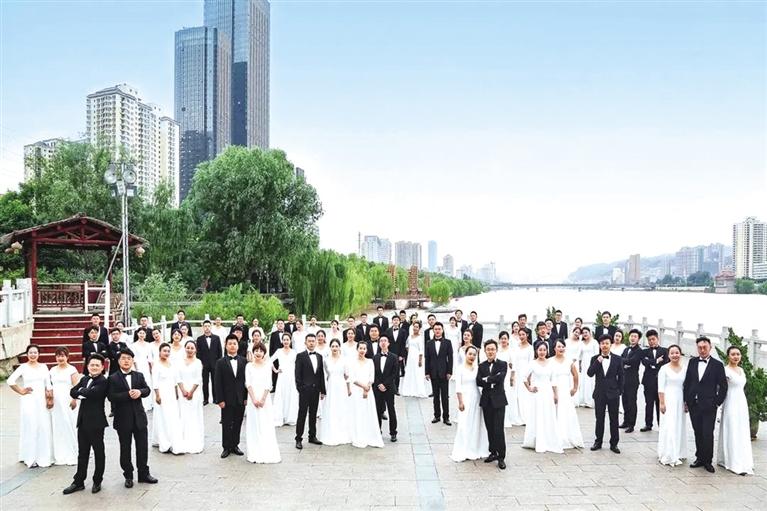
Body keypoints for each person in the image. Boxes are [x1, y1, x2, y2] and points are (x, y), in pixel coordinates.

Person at [108, 348, 157, 487]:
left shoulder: (138, 375)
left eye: (129, 358)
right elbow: (111, 396)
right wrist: (127, 395)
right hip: (123, 419)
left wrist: (140, 392)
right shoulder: (113, 378)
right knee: (125, 449)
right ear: (118, 361)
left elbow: (147, 390)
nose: (126, 361)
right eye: (123, 358)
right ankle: (128, 475)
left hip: (139, 417)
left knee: (142, 447)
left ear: (132, 360)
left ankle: (143, 474)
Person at [63, 353, 109, 495]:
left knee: (98, 452)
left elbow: (93, 394)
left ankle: (97, 480)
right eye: (91, 365)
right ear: (88, 366)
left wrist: (81, 392)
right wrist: (83, 392)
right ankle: (78, 482)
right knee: (82, 453)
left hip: (96, 423)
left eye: (97, 365)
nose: (94, 367)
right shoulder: (84, 379)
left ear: (102, 367)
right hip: (82, 421)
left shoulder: (103, 381)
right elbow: (72, 391)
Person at [684, 336, 728, 473]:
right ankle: (699, 458)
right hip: (694, 404)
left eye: (705, 347)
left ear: (710, 347)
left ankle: (708, 461)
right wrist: (686, 400)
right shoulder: (692, 361)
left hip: (709, 405)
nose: (702, 350)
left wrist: (717, 402)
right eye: (700, 348)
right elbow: (688, 382)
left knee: (708, 433)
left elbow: (723, 386)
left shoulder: (718, 365)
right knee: (698, 432)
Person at [7, 344, 53, 468]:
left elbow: (48, 384)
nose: (33, 355)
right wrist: (21, 390)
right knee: (31, 426)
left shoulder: (43, 367)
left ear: (38, 354)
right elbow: (10, 381)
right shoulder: (23, 367)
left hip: (41, 400)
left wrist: (49, 398)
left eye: (35, 352)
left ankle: (43, 455)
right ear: (27, 354)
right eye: (30, 352)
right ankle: (30, 457)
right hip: (29, 400)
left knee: (43, 426)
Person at [717, 346, 754, 475]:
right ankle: (731, 461)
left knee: (741, 430)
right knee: (731, 429)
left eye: (738, 354)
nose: (736, 356)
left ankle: (743, 458)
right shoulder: (725, 370)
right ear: (728, 356)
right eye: (733, 354)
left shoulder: (741, 370)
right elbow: (721, 388)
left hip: (741, 402)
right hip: (730, 402)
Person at [522, 342, 563, 454]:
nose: (542, 352)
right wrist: (529, 388)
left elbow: (553, 380)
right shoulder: (532, 363)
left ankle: (549, 439)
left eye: (544, 350)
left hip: (548, 393)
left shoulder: (551, 364)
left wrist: (555, 394)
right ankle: (537, 440)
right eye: (540, 350)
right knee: (538, 415)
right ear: (536, 351)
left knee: (548, 415)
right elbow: (524, 377)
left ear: (547, 351)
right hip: (537, 394)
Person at [450, 345, 488, 462]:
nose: (472, 356)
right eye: (470, 354)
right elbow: (458, 387)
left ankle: (475, 448)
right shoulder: (460, 369)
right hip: (465, 398)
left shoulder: (477, 368)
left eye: (474, 355)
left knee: (476, 423)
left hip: (476, 397)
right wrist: (460, 402)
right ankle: (464, 449)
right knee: (464, 424)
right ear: (465, 354)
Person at [245, 343, 281, 463]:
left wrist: (263, 399)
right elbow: (248, 383)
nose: (258, 353)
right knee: (254, 424)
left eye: (261, 351)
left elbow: (269, 383)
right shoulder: (248, 366)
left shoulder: (267, 365)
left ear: (264, 353)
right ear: (253, 352)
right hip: (252, 398)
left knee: (265, 423)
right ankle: (255, 450)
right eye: (256, 350)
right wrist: (253, 399)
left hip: (265, 398)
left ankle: (266, 449)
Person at [587, 335, 623, 454]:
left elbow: (621, 376)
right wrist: (598, 362)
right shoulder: (594, 358)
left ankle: (614, 444)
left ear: (610, 344)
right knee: (599, 419)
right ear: (600, 345)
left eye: (607, 343)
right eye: (602, 343)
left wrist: (619, 391)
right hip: (599, 393)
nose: (605, 345)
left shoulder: (618, 359)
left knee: (614, 419)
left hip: (613, 393)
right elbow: (590, 373)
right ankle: (598, 442)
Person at [214, 335, 247, 458]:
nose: (232, 346)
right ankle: (226, 447)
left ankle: (235, 445)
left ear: (238, 346)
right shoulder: (220, 362)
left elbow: (246, 381)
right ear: (226, 345)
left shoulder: (244, 361)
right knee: (226, 423)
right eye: (230, 343)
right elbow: (217, 382)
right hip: (226, 399)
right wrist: (220, 399)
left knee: (238, 422)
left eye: (234, 343)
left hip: (240, 398)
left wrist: (246, 397)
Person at [476, 340, 507, 469]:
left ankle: (501, 457)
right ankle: (493, 452)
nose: (490, 351)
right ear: (485, 351)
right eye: (488, 349)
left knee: (498, 429)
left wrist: (487, 379)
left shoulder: (502, 364)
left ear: (496, 350)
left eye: (492, 349)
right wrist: (492, 379)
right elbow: (478, 381)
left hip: (499, 401)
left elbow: (501, 378)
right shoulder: (481, 366)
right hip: (486, 401)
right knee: (490, 428)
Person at [349, 342, 384, 448]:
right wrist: (363, 387)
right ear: (357, 349)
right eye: (360, 348)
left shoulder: (370, 362)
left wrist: (366, 388)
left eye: (364, 348)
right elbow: (353, 378)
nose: (362, 350)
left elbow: (371, 378)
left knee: (367, 412)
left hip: (368, 391)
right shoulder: (352, 362)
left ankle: (369, 435)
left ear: (366, 350)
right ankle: (358, 435)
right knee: (358, 413)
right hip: (356, 391)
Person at [657, 344, 687, 466]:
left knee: (678, 425)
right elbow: (661, 387)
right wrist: (662, 402)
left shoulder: (685, 368)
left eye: (677, 352)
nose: (675, 355)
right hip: (668, 399)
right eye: (672, 353)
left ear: (680, 354)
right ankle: (668, 453)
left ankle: (678, 451)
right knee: (669, 425)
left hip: (680, 399)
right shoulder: (664, 368)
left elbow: (686, 386)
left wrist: (686, 402)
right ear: (668, 355)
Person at [294, 334, 326, 449]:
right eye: (309, 341)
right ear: (305, 343)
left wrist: (322, 390)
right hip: (304, 391)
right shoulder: (300, 356)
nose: (311, 343)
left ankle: (312, 436)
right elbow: (297, 374)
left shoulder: (319, 356)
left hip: (315, 390)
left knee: (313, 414)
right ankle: (298, 438)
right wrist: (300, 389)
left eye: (313, 341)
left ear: (316, 342)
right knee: (302, 414)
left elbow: (321, 374)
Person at [318, 339, 352, 446]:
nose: (334, 348)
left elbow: (347, 376)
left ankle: (342, 432)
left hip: (341, 386)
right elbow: (326, 375)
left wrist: (349, 389)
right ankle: (331, 432)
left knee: (341, 408)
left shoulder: (344, 360)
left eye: (336, 346)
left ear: (339, 347)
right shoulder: (326, 360)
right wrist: (323, 390)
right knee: (331, 407)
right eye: (332, 346)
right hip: (331, 386)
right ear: (330, 347)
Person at [49, 347, 79, 465]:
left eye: (62, 356)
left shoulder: (72, 369)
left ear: (67, 357)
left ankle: (73, 451)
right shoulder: (52, 370)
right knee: (58, 425)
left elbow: (76, 386)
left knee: (69, 424)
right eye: (58, 356)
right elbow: (49, 386)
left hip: (68, 400)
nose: (60, 358)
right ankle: (60, 452)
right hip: (56, 402)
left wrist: (74, 399)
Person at [151, 343, 183, 454]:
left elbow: (175, 380)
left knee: (172, 417)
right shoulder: (156, 365)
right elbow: (155, 382)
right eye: (164, 351)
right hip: (162, 393)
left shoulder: (172, 364)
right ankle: (164, 442)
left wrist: (176, 392)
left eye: (168, 351)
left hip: (171, 394)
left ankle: (173, 440)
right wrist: (157, 395)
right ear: (160, 352)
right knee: (163, 417)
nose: (167, 353)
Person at [551, 340, 583, 449]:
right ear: (554, 348)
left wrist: (575, 388)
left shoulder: (569, 361)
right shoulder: (550, 361)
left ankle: (567, 436)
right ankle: (554, 437)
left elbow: (575, 375)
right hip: (553, 390)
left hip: (565, 390)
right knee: (554, 413)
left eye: (563, 346)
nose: (561, 348)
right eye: (559, 346)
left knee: (566, 413)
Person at [177, 340, 204, 454]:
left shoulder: (198, 362)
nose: (190, 350)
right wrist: (183, 390)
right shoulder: (179, 362)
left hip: (194, 392)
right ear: (185, 348)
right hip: (182, 391)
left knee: (193, 415)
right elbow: (178, 377)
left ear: (195, 350)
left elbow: (198, 379)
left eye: (192, 348)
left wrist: (191, 392)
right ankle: (182, 439)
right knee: (182, 414)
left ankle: (194, 440)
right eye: (188, 347)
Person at [640, 329, 669, 432]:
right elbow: (644, 362)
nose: (651, 341)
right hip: (648, 381)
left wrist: (651, 362)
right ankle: (648, 424)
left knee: (659, 403)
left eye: (653, 339)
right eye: (649, 340)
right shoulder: (644, 351)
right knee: (648, 404)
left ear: (658, 339)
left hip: (660, 382)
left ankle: (661, 425)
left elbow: (666, 363)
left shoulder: (665, 351)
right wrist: (656, 361)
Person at [425, 322, 453, 425]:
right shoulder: (429, 343)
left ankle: (446, 417)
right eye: (435, 329)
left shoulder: (448, 342)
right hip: (433, 373)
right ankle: (436, 416)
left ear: (442, 330)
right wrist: (427, 372)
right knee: (435, 396)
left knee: (445, 397)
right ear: (433, 330)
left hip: (444, 373)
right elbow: (427, 358)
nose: (437, 331)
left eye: (439, 329)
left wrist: (449, 371)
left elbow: (450, 358)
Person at [373, 336, 398, 442]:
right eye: (381, 341)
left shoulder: (394, 357)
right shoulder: (375, 357)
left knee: (391, 410)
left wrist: (385, 384)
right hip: (378, 388)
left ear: (388, 343)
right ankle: (377, 431)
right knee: (378, 410)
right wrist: (379, 384)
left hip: (389, 387)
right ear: (379, 344)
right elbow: (373, 373)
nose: (383, 343)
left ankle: (393, 432)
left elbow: (394, 373)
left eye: (385, 341)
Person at [507, 328, 534, 426]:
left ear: (527, 335)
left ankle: (525, 417)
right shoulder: (516, 347)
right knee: (515, 394)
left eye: (523, 334)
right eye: (520, 335)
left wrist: (529, 377)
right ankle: (516, 416)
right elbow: (513, 360)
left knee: (524, 395)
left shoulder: (530, 348)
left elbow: (531, 363)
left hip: (525, 373)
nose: (521, 336)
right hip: (516, 372)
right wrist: (512, 373)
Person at [272, 333, 299, 427]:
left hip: (291, 377)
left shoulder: (294, 352)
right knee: (281, 395)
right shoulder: (279, 351)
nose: (286, 341)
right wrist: (275, 370)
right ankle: (280, 417)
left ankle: (290, 417)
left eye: (287, 340)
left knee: (291, 396)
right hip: (282, 376)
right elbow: (270, 360)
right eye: (284, 340)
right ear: (282, 341)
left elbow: (298, 364)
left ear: (290, 341)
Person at [619, 329, 644, 433]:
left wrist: (625, 362)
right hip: (623, 379)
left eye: (635, 336)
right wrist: (625, 363)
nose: (632, 338)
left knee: (631, 402)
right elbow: (620, 360)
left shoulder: (639, 351)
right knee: (624, 401)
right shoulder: (626, 349)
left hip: (632, 381)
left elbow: (632, 361)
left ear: (638, 339)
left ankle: (631, 424)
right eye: (631, 336)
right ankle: (625, 421)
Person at [196, 319, 222, 405]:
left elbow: (219, 351)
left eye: (208, 326)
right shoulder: (199, 339)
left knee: (215, 382)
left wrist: (219, 363)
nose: (207, 328)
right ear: (203, 327)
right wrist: (200, 363)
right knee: (205, 383)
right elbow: (198, 353)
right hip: (204, 364)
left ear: (211, 327)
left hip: (215, 363)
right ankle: (205, 399)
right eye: (205, 326)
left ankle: (215, 399)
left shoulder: (216, 338)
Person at [400, 321, 428, 397]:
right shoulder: (410, 337)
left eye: (417, 327)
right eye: (414, 327)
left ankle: (418, 391)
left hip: (417, 358)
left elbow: (421, 350)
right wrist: (410, 352)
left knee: (417, 373)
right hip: (410, 358)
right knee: (409, 372)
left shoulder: (420, 338)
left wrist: (420, 360)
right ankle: (408, 390)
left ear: (419, 328)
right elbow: (407, 346)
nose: (415, 328)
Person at [129, 328, 153, 411]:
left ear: (145, 335)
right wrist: (136, 368)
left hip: (146, 365)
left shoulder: (148, 345)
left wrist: (151, 368)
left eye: (143, 333)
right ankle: (141, 404)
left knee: (147, 382)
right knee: (139, 383)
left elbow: (150, 358)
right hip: (137, 365)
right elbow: (134, 358)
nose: (142, 335)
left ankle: (149, 403)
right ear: (137, 334)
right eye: (140, 333)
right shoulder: (133, 345)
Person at [386, 315, 408, 394]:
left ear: (399, 322)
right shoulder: (388, 330)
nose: (395, 321)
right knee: (388, 372)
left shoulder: (403, 331)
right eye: (394, 320)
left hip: (398, 355)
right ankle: (389, 388)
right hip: (389, 354)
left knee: (397, 372)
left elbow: (404, 344)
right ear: (392, 321)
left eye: (397, 320)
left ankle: (396, 389)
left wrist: (402, 355)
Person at [577, 327, 599, 407]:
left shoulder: (594, 342)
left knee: (591, 382)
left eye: (586, 332)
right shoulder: (581, 343)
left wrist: (595, 365)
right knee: (583, 381)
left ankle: (590, 401)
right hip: (584, 364)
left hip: (592, 364)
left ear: (590, 333)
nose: (585, 334)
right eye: (583, 333)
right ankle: (583, 400)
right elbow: (579, 355)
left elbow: (597, 354)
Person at [268, 319, 287, 390]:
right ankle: (274, 386)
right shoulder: (273, 334)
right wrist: (271, 356)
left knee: (284, 370)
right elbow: (271, 346)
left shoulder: (287, 333)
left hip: (285, 355)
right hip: (276, 355)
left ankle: (284, 386)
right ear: (277, 325)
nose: (280, 325)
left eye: (282, 323)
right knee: (275, 371)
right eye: (279, 324)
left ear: (284, 325)